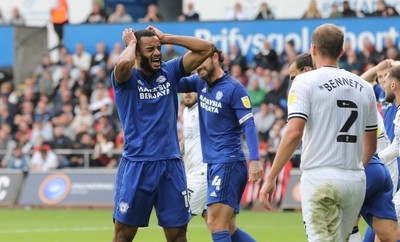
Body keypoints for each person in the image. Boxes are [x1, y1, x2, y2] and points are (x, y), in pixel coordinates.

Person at [259, 24, 378, 241]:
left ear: (313, 49)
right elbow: (371, 144)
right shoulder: (365, 87)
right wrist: (354, 169)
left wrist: (271, 176)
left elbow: (294, 133)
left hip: (321, 178)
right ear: (341, 51)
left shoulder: (304, 81)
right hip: (355, 180)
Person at [111, 26, 213, 241]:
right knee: (123, 236)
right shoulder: (125, 79)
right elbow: (122, 64)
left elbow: (206, 49)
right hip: (137, 164)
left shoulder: (170, 71)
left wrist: (167, 38)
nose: (157, 53)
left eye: (159, 48)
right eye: (150, 49)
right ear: (137, 53)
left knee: (178, 235)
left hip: (171, 165)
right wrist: (131, 44)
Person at [289, 53, 400, 242]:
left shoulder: (316, 95)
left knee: (336, 229)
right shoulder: (357, 90)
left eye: (293, 77)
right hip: (377, 167)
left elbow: (294, 133)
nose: (292, 81)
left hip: (356, 168)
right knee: (387, 234)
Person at [178, 48, 264, 242]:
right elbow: (173, 80)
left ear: (215, 58)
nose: (197, 67)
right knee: (228, 227)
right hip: (214, 163)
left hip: (228, 162)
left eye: (200, 61)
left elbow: (248, 124)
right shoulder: (200, 82)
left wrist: (256, 159)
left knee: (215, 223)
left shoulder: (234, 88)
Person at [180, 92, 207, 220]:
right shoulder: (185, 111)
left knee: (179, 216)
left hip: (202, 173)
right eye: (184, 90)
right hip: (190, 173)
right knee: (215, 222)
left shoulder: (204, 110)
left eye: (191, 89)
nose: (187, 93)